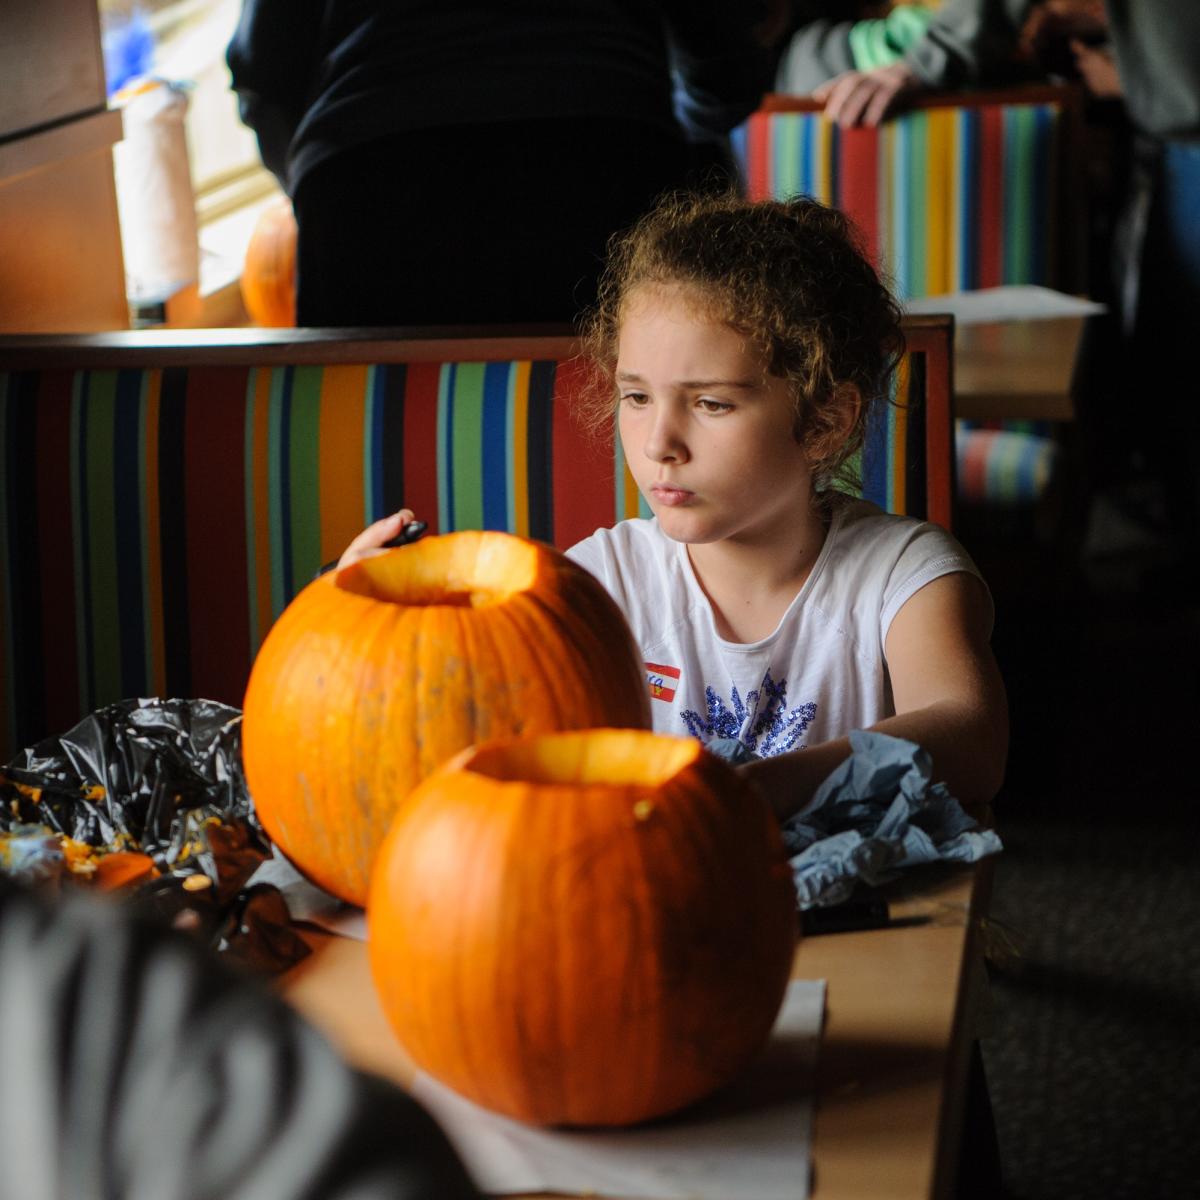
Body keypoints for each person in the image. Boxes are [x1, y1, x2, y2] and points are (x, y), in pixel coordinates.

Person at [339, 191, 1009, 823]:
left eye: (712, 403)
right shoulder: (599, 581)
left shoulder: (904, 572)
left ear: (825, 423)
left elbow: (971, 737)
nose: (659, 443)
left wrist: (765, 787)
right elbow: (460, 718)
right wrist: (364, 624)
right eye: (636, 397)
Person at [226, 1, 774, 328]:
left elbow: (263, 77)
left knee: (376, 432)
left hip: (366, 181)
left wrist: (314, 178)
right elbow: (723, 67)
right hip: (601, 151)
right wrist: (671, 131)